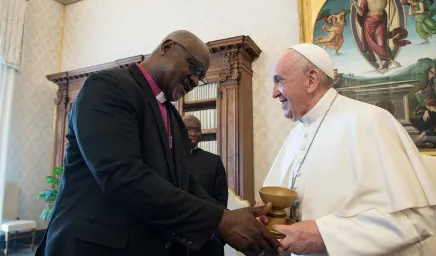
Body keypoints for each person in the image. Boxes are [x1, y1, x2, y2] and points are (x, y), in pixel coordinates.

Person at [35, 30, 280, 256]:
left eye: (201, 78)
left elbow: (185, 183)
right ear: (166, 47)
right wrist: (219, 221)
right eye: (194, 67)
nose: (195, 81)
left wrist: (230, 216)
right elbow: (123, 176)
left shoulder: (174, 118)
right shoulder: (108, 87)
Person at [260, 43, 436, 255]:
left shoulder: (371, 121)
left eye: (279, 81)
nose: (274, 93)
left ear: (311, 79)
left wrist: (324, 236)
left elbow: (418, 220)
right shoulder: (296, 134)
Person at [183, 114, 228, 256]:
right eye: (188, 129)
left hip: (208, 238)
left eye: (197, 130)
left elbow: (221, 201)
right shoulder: (170, 158)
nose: (193, 134)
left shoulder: (213, 161)